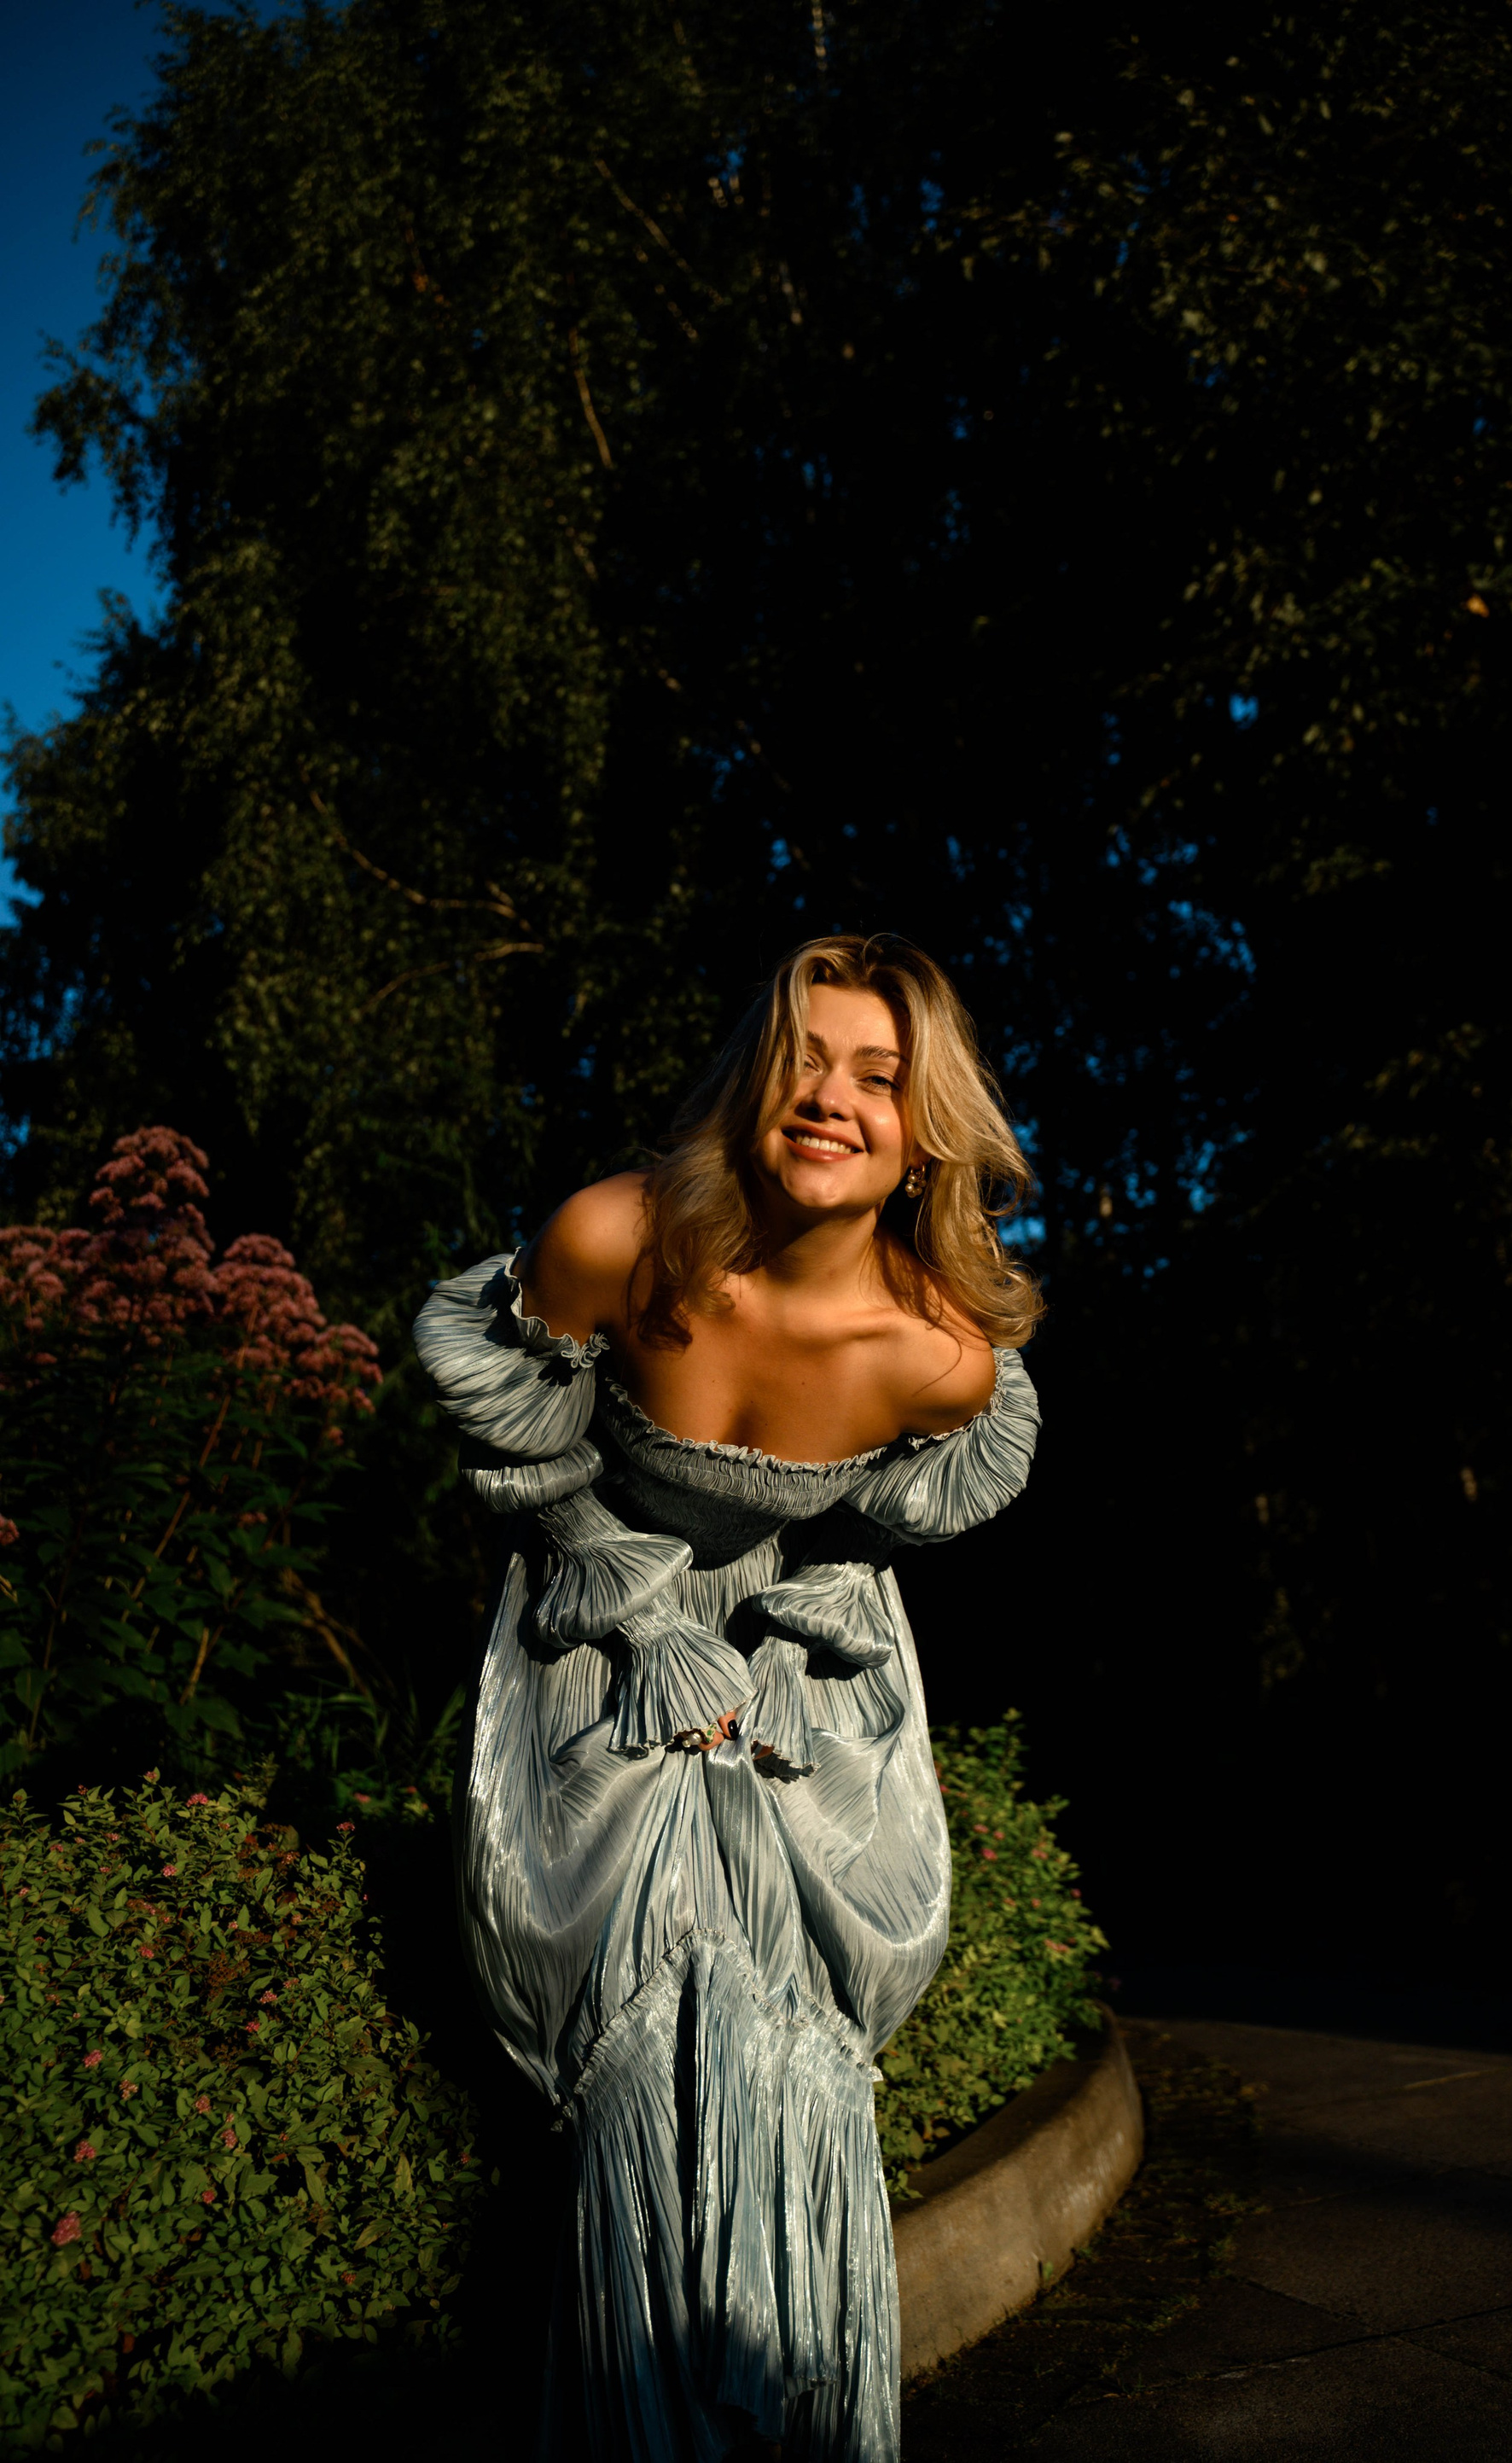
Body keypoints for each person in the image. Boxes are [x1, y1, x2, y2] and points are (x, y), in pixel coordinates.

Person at [414, 933, 1042, 2460]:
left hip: (801, 1669)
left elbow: (894, 1518)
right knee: (642, 2056)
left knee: (798, 2060)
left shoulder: (941, 1353)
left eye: (879, 1076)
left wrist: (817, 1598)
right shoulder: (615, 1240)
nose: (832, 1098)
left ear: (924, 1134)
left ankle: (810, 2416)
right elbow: (519, 1456)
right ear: (752, 1080)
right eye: (803, 1059)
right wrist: (643, 1619)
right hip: (599, 1635)